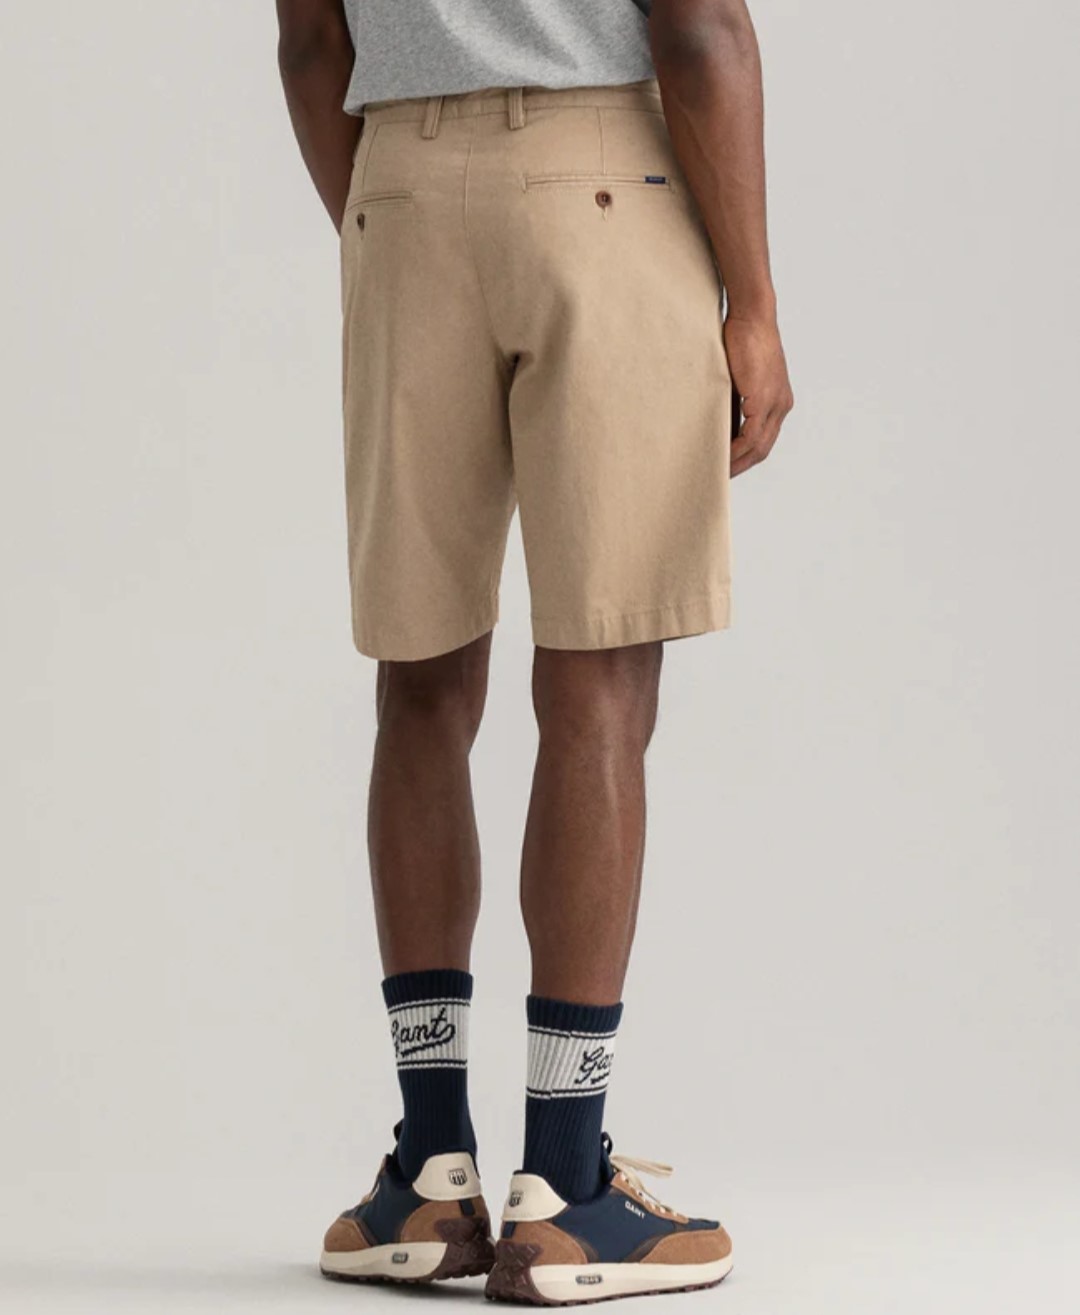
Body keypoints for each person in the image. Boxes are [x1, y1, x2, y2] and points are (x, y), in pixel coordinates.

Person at [276, 0, 793, 1303]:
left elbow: (310, 42)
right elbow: (701, 32)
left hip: (398, 188)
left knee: (419, 683)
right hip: (603, 183)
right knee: (600, 680)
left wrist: (396, 219)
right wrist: (756, 302)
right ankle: (563, 1187)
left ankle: (428, 1174)